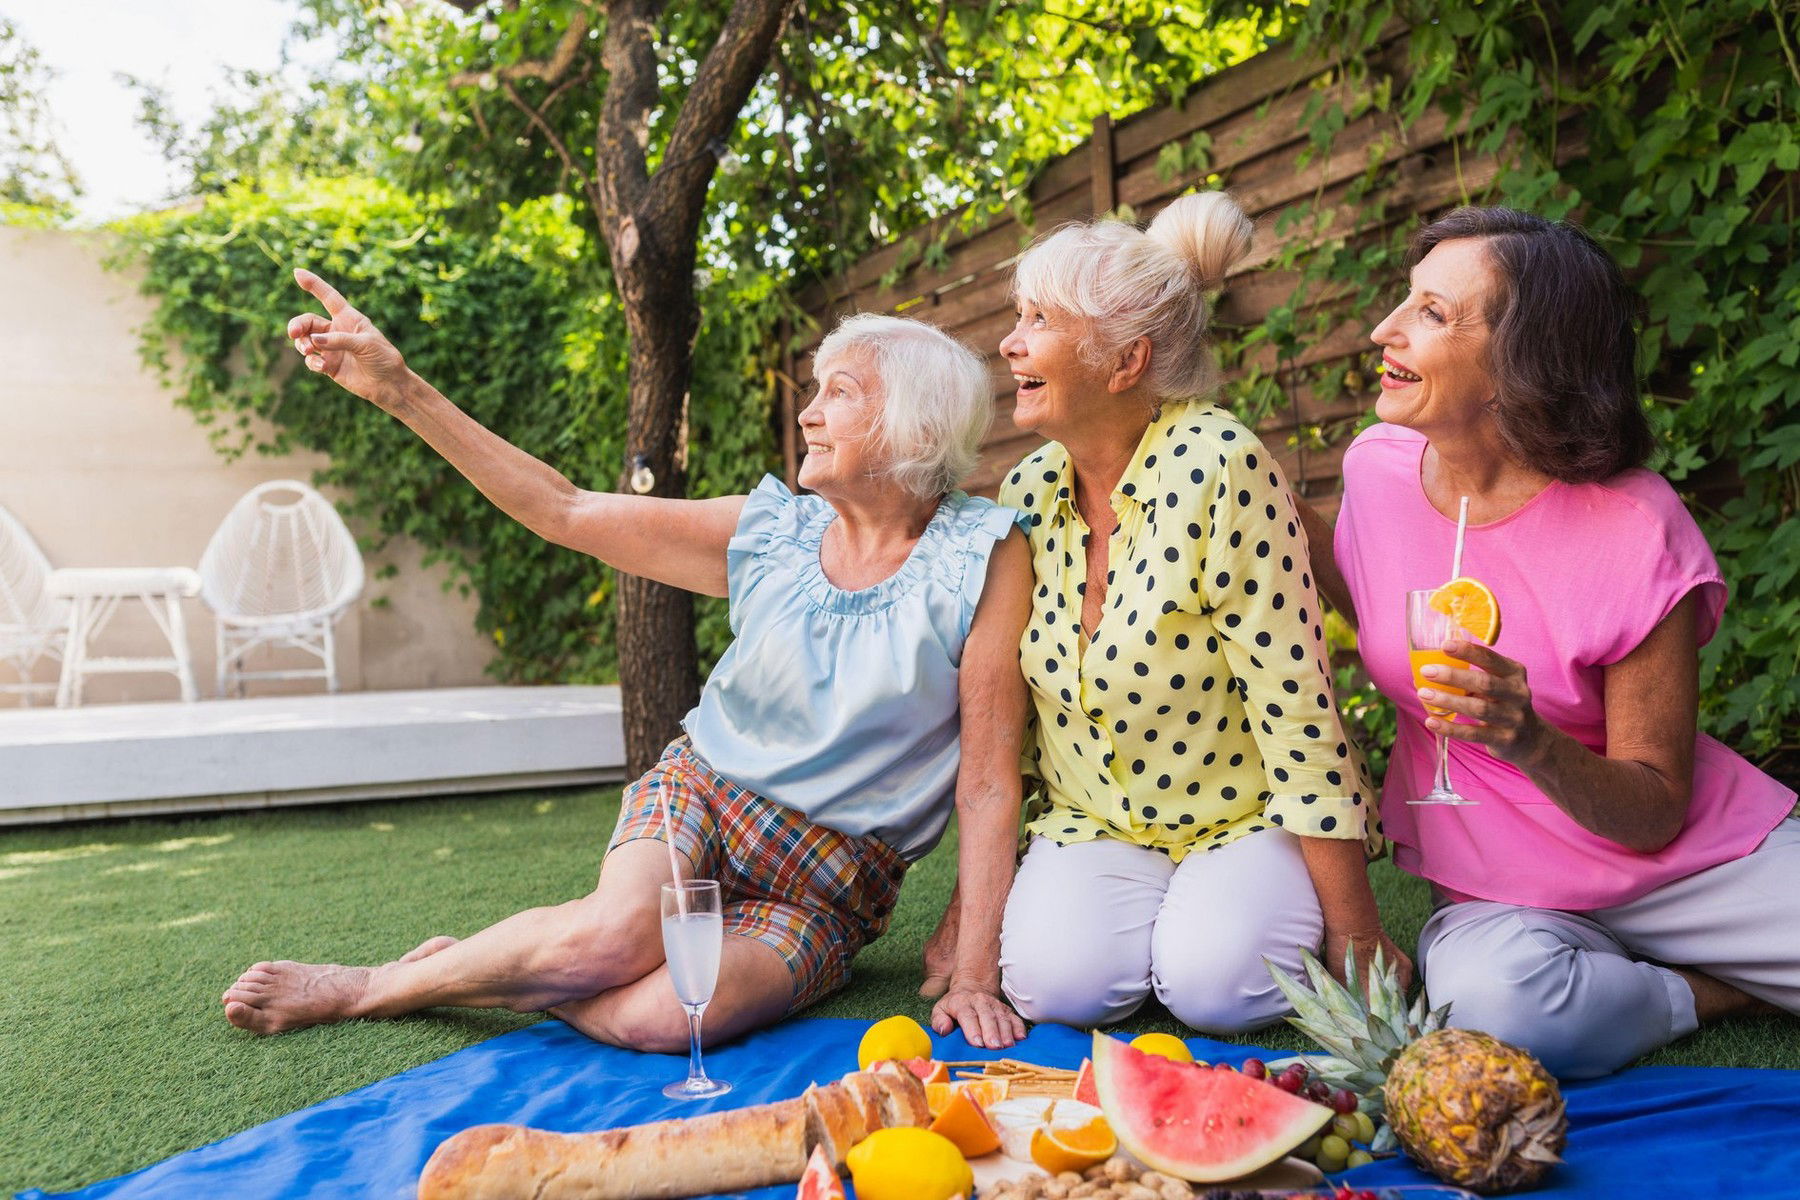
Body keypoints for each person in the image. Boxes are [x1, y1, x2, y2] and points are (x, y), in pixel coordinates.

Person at [222, 270, 1032, 1051]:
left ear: (916, 427)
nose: (810, 415)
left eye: (840, 393)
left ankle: (486, 967)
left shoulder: (982, 556)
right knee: (613, 939)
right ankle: (375, 987)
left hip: (829, 884)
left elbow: (990, 779)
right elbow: (565, 509)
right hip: (706, 795)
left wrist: (974, 975)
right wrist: (401, 390)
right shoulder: (771, 529)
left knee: (666, 1015)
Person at [1304, 206, 1799, 1078]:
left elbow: (1655, 807)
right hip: (1500, 881)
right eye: (1403, 302)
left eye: (1431, 313)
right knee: (1499, 1009)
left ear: (1521, 364)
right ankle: (1710, 992)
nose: (1384, 330)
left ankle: (1685, 964)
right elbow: (1362, 597)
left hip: (1683, 862)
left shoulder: (1637, 524)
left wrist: (1527, 738)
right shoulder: (1375, 470)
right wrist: (1241, 476)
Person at [923, 191, 1404, 1037]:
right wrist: (972, 916)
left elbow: (1297, 709)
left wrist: (1357, 933)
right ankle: (1154, 936)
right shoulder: (1028, 490)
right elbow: (1011, 736)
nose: (1010, 340)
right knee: (1050, 987)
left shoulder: (1224, 463)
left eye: (1040, 319)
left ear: (1124, 362)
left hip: (1242, 816)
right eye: (1017, 315)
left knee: (1215, 990)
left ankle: (1195, 934)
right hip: (1094, 820)